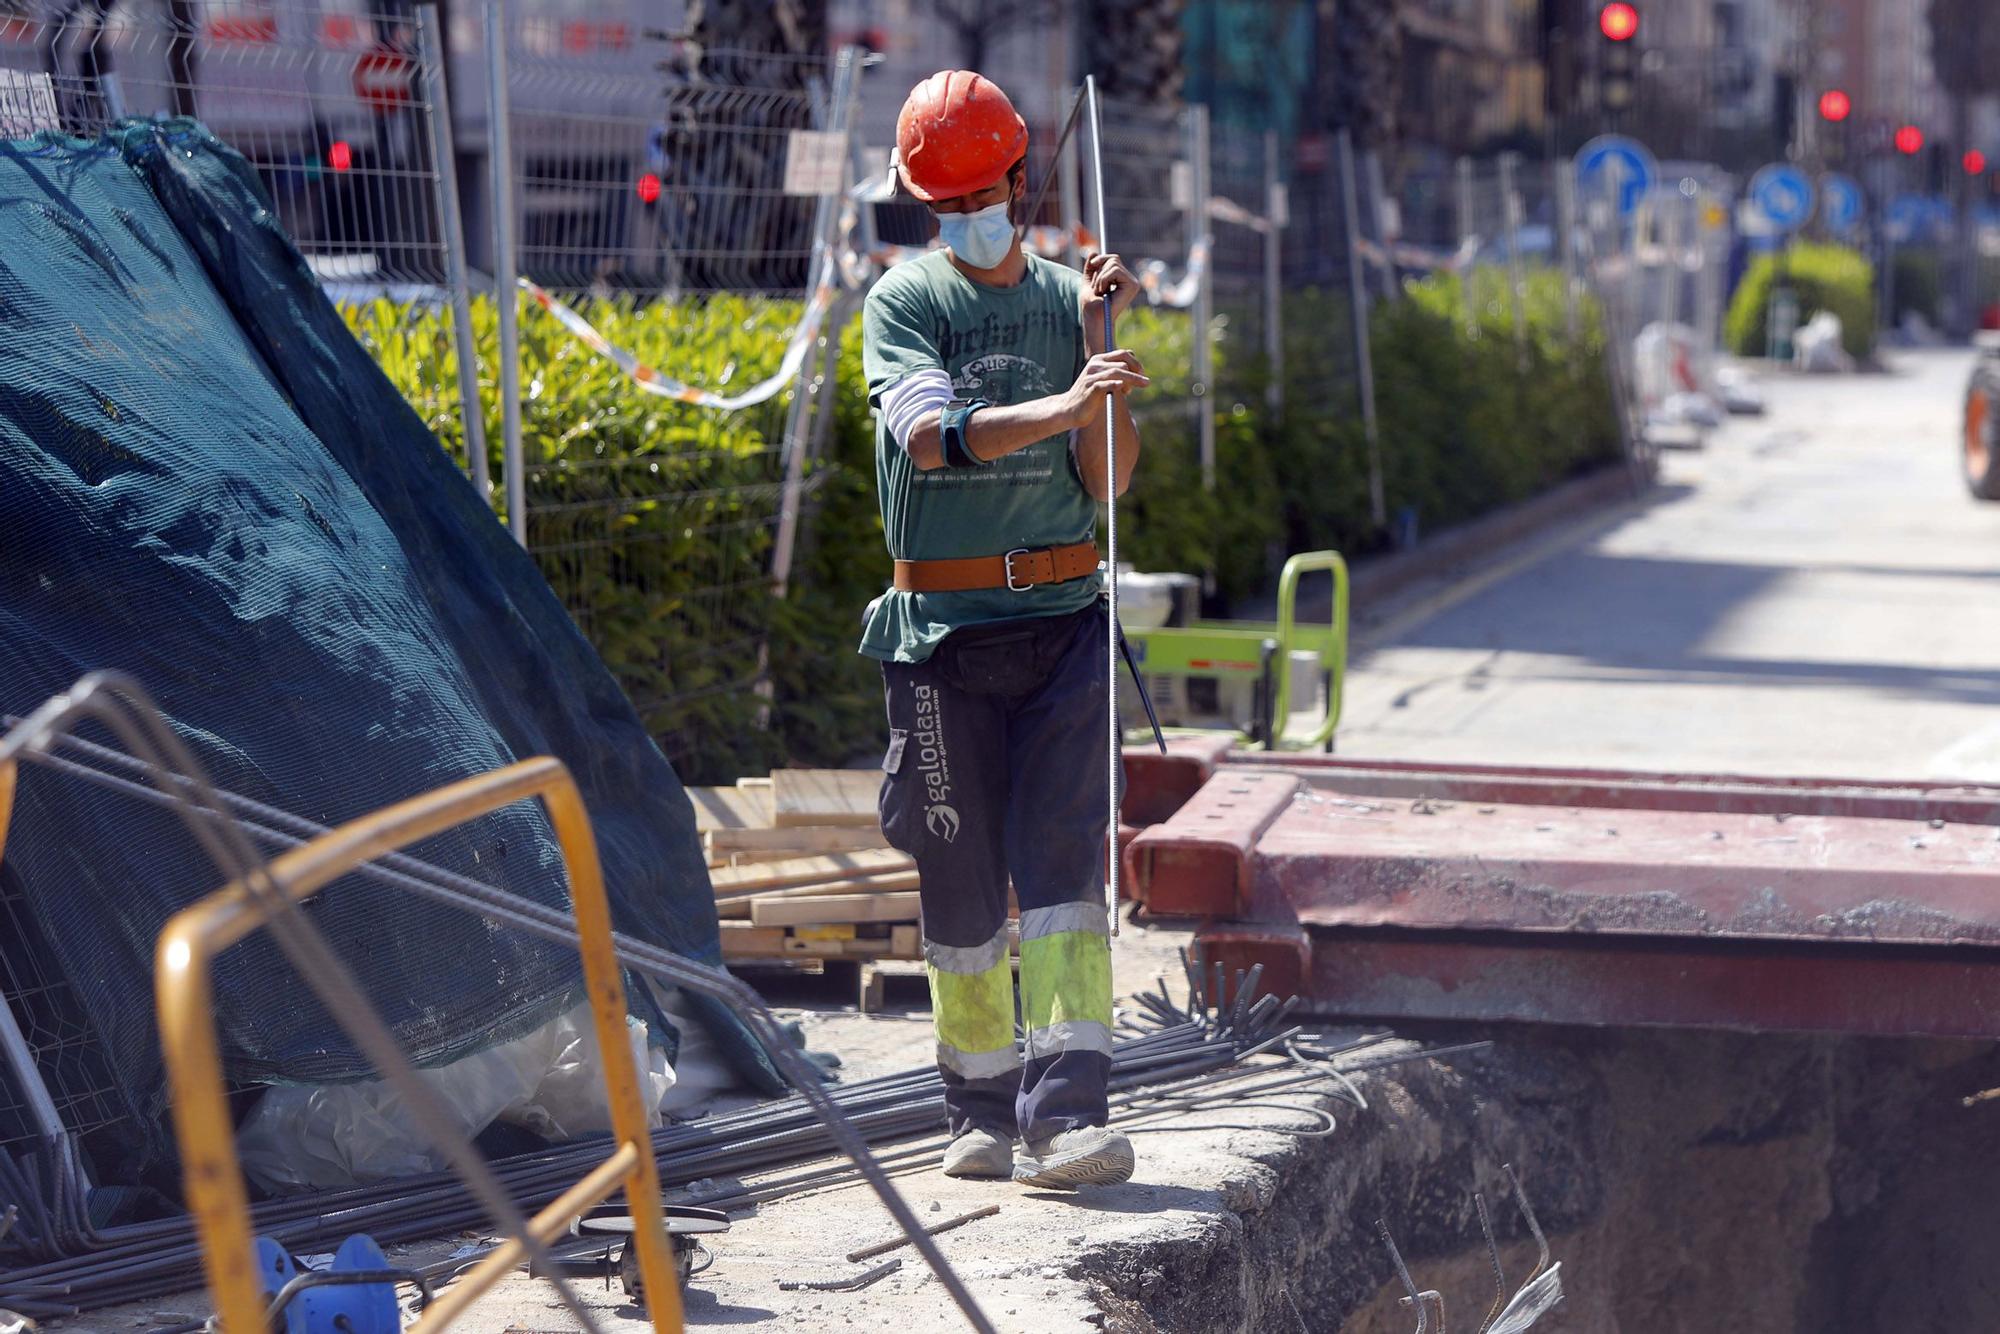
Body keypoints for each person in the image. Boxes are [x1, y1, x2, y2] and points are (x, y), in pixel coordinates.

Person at [861, 70, 1147, 1189]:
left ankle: (1068, 1117)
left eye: (983, 190)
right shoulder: (906, 303)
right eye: (950, 198)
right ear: (925, 209)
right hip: (941, 640)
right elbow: (931, 437)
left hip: (1064, 626)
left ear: (1023, 184)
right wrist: (1065, 400)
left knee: (1066, 878)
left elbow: (1105, 476)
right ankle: (974, 1111)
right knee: (963, 883)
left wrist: (1102, 361)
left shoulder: (1064, 299)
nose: (970, 210)